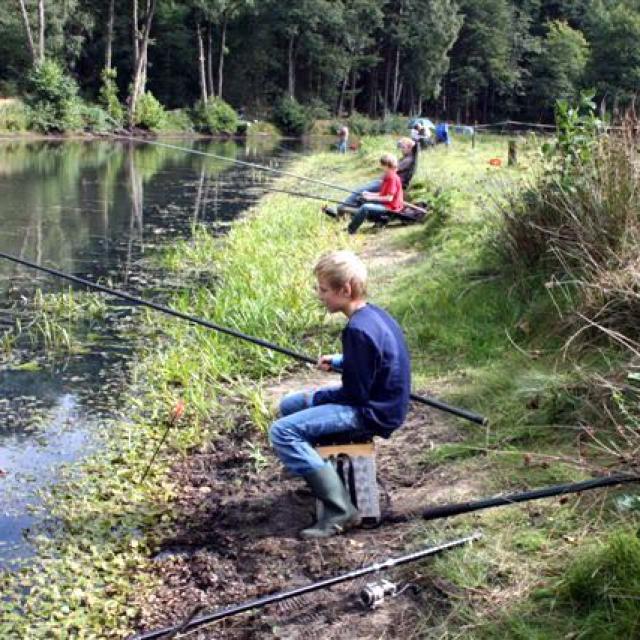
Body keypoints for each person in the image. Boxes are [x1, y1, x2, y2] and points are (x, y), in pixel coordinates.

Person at [269, 250, 411, 538]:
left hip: (371, 412)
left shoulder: (356, 330)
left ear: (345, 290)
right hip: (381, 401)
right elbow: (373, 360)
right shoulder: (375, 315)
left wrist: (316, 398)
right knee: (290, 404)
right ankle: (321, 473)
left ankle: (340, 510)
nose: (319, 295)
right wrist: (337, 361)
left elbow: (354, 395)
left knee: (282, 431)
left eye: (323, 290)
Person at [323, 139, 417, 218]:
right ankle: (344, 211)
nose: (401, 149)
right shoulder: (405, 158)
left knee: (359, 191)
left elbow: (393, 168)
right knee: (361, 193)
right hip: (385, 182)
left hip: (388, 184)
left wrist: (386, 169)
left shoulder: (408, 160)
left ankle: (341, 210)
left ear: (410, 148)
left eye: (403, 147)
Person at [347, 153, 403, 234]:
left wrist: (371, 198)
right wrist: (369, 194)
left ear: (387, 165)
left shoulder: (392, 178)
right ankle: (380, 220)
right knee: (361, 200)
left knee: (365, 207)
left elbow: (389, 198)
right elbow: (383, 193)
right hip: (386, 204)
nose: (381, 166)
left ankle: (350, 230)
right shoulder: (388, 176)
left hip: (390, 207)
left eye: (382, 164)